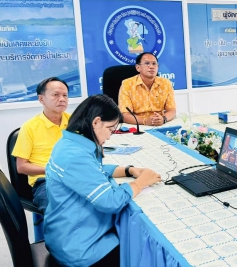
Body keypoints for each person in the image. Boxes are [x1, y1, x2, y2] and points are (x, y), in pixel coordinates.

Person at [43, 94, 161, 266]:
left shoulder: (70, 144)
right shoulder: (75, 156)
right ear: (96, 122)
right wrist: (140, 182)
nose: (110, 136)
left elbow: (93, 171)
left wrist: (128, 170)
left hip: (67, 233)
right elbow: (110, 202)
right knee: (142, 248)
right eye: (111, 129)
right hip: (79, 248)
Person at [11, 77, 70, 213]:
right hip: (46, 181)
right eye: (56, 95)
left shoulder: (75, 122)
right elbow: (21, 167)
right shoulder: (29, 127)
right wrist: (53, 170)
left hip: (75, 176)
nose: (62, 99)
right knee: (61, 213)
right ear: (41, 99)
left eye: (65, 95)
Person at [118, 52, 176, 127]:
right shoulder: (127, 84)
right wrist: (145, 121)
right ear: (138, 68)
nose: (151, 67)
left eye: (154, 64)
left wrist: (163, 118)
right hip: (137, 125)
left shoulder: (166, 83)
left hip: (160, 124)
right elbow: (124, 114)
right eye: (147, 63)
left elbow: (172, 110)